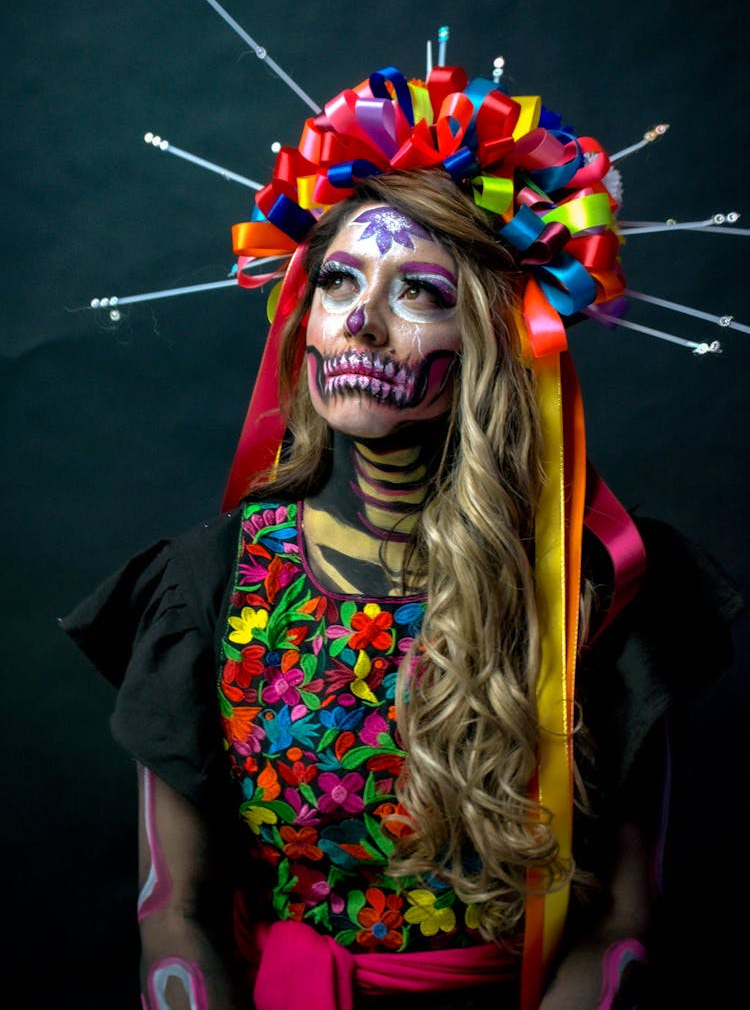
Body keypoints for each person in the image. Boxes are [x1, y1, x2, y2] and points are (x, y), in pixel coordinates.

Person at [62, 65, 741, 1010]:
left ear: (499, 338)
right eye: (339, 279)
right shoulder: (204, 583)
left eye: (418, 293)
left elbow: (622, 925)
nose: (360, 323)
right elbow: (173, 918)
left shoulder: (604, 583)